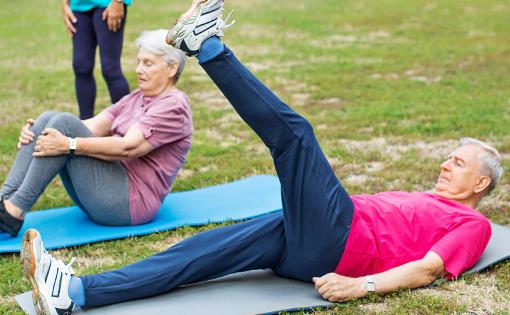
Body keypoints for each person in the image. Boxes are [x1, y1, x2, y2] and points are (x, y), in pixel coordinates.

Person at [19, 1, 502, 314]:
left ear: (481, 184)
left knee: (295, 137)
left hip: (338, 238)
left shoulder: (473, 226)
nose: (445, 164)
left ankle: (206, 46)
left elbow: (430, 269)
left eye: (458, 163)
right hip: (307, 239)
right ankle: (78, 293)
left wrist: (363, 289)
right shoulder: (426, 198)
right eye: (449, 158)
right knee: (200, 253)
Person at [0, 30, 192, 238]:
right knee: (50, 118)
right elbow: (90, 126)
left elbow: (129, 147)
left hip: (128, 203)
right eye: (138, 62)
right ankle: (5, 199)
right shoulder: (137, 97)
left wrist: (68, 144)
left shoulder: (174, 106)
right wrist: (38, 131)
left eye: (148, 63)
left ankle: (13, 211)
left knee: (63, 123)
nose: (138, 70)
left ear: (172, 68)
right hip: (106, 189)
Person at [61, 0, 132, 119]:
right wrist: (64, 4)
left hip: (108, 4)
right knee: (81, 67)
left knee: (110, 70)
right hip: (78, 6)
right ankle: (85, 126)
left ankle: (128, 125)